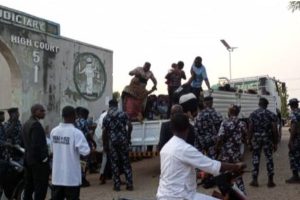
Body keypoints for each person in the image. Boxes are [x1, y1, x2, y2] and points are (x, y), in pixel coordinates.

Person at [157, 113, 246, 200]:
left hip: (165, 194)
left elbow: (176, 171)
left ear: (172, 129)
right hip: (180, 196)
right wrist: (236, 166)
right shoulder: (185, 148)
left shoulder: (166, 147)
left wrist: (200, 174)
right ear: (188, 128)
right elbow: (213, 165)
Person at [50, 106, 90, 200]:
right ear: (74, 115)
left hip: (57, 177)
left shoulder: (54, 132)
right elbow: (86, 152)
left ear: (63, 116)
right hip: (71, 178)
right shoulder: (76, 133)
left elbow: (53, 151)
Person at [102, 99, 133, 191]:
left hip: (112, 142)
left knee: (114, 163)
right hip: (123, 141)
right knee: (126, 162)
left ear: (109, 105)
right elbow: (130, 125)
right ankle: (129, 184)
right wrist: (128, 137)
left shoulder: (106, 117)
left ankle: (117, 185)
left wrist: (105, 145)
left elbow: (104, 132)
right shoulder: (123, 114)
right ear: (117, 105)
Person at [216, 105, 248, 194]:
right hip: (236, 153)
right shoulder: (242, 124)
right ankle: (242, 194)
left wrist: (217, 148)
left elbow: (220, 138)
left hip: (226, 154)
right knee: (238, 174)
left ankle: (228, 194)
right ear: (237, 113)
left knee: (225, 175)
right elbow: (246, 139)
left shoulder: (224, 123)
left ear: (229, 112)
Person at [248, 97, 278, 187]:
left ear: (259, 104)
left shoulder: (253, 114)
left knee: (255, 158)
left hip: (256, 138)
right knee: (269, 158)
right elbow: (274, 130)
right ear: (267, 105)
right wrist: (275, 142)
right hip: (267, 138)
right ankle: (270, 181)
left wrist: (249, 141)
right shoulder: (271, 114)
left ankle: (254, 180)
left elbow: (250, 129)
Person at [22, 104, 50, 200]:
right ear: (35, 112)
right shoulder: (35, 125)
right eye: (41, 111)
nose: (43, 112)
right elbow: (36, 145)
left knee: (29, 187)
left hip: (28, 160)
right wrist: (45, 159)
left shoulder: (26, 123)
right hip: (38, 163)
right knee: (40, 188)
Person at [285, 98, 300, 183]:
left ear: (291, 105)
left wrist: (291, 140)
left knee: (293, 155)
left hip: (297, 138)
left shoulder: (294, 113)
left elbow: (294, 127)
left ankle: (295, 176)